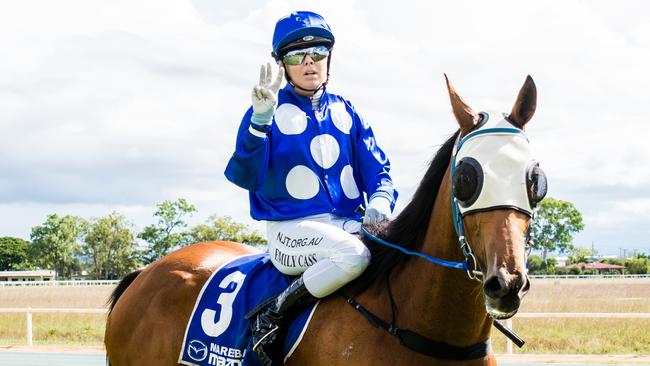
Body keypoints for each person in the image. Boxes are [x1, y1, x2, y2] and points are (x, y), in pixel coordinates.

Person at [224, 10, 397, 364]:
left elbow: (379, 172)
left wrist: (380, 199)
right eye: (296, 56)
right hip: (290, 232)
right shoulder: (266, 111)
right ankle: (271, 314)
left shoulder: (348, 112)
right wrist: (260, 121)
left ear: (328, 59)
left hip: (348, 224)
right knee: (353, 256)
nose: (309, 62)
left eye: (318, 52)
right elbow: (244, 175)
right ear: (281, 65)